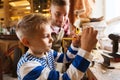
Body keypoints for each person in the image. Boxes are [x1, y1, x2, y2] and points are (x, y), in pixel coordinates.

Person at [16, 13, 98, 80]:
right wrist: (85, 50)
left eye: (50, 34)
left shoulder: (47, 52)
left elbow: (66, 57)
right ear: (27, 42)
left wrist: (75, 45)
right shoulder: (28, 67)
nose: (51, 39)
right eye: (46, 36)